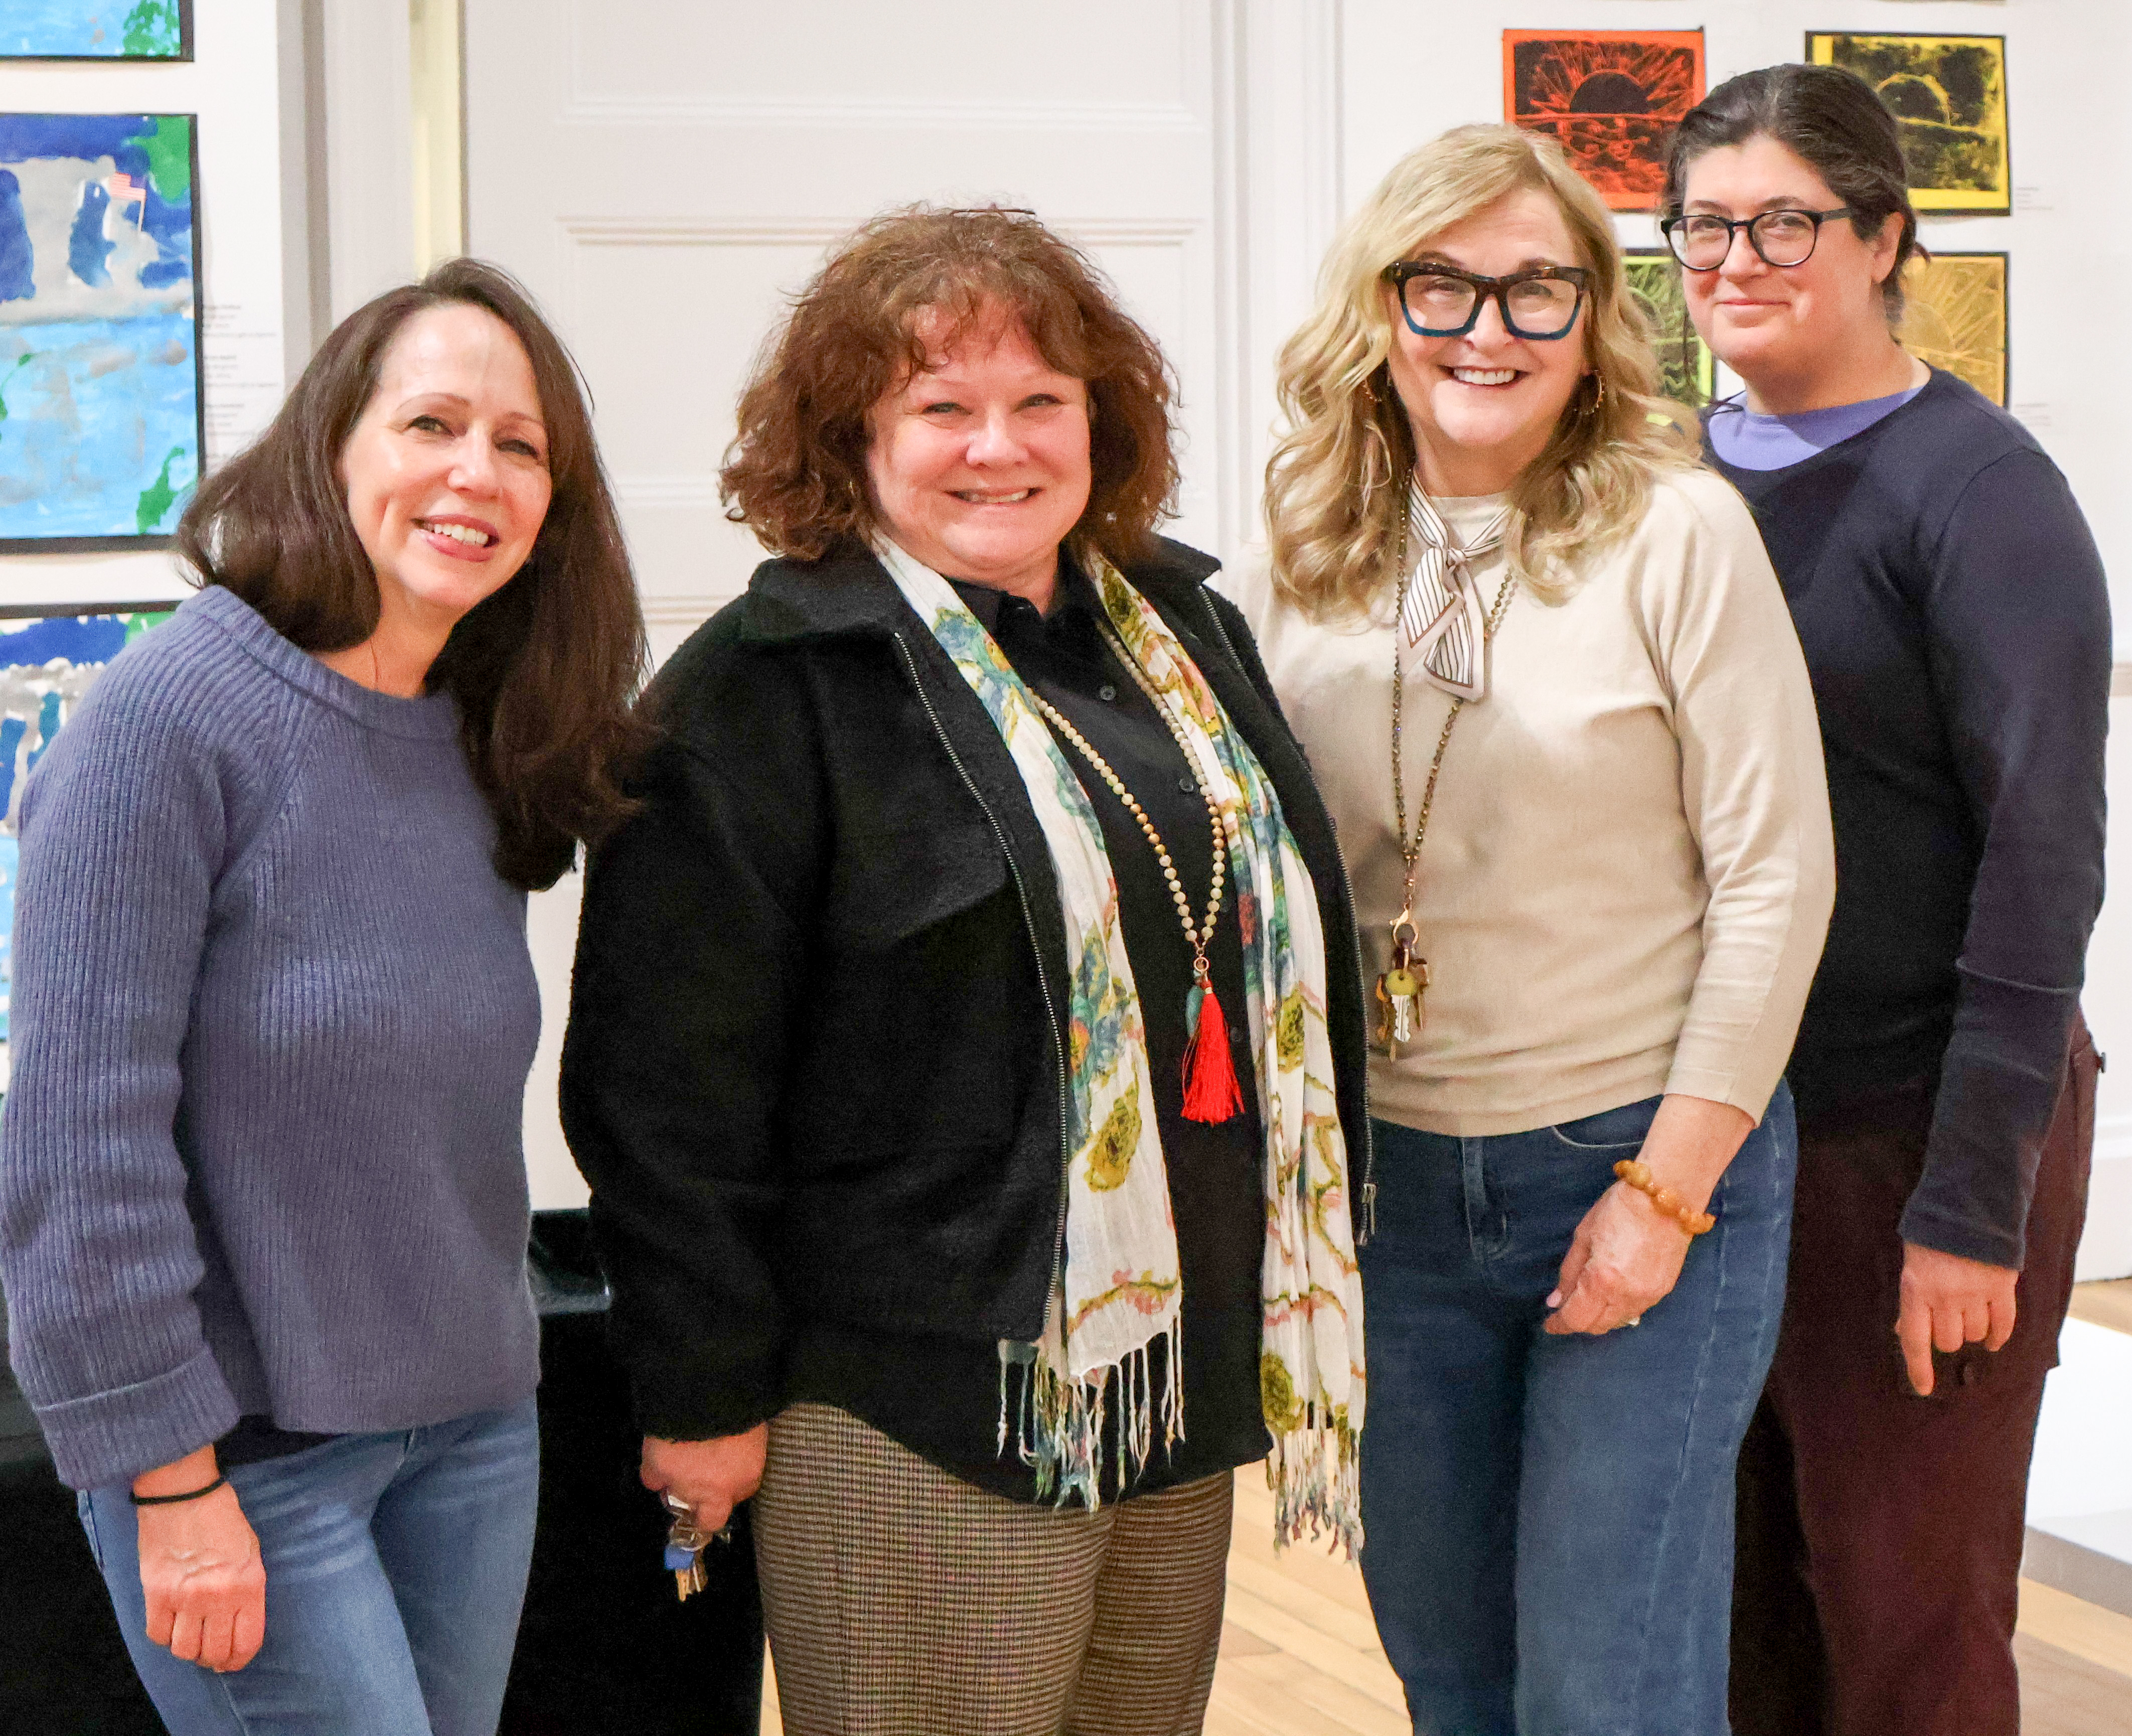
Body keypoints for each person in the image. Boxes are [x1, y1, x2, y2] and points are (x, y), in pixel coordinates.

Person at [559, 205, 1369, 1736]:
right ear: (849, 441)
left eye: (1039, 402)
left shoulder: (1176, 631)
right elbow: (661, 1090)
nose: (997, 446)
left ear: (1098, 422)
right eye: (940, 407)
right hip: (910, 1399)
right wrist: (701, 1390)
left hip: (1168, 1372)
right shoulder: (762, 687)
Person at [1236, 123, 1836, 1734]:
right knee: (1455, 1677)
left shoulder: (1677, 533)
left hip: (1640, 1162)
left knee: (1608, 1694)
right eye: (1441, 287)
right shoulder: (1302, 550)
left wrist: (1664, 1190)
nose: (1485, 332)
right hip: (1392, 1194)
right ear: (1377, 308)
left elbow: (1778, 878)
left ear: (1594, 323)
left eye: (1535, 292)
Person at [0, 258, 648, 1734]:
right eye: (430, 423)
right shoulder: (169, 723)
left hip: (472, 1431)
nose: (473, 471)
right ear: (332, 447)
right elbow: (74, 1158)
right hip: (248, 1459)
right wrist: (170, 1484)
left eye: (520, 444)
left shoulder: (470, 734)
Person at [1663, 65, 2110, 1736]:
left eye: (1785, 220)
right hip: (1708, 1135)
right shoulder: (1668, 481)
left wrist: (1967, 1206)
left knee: (1903, 1623)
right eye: (1704, 226)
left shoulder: (1980, 495)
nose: (1737, 260)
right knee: (1733, 1616)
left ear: (1882, 237)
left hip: (1905, 1124)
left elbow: (2042, 858)